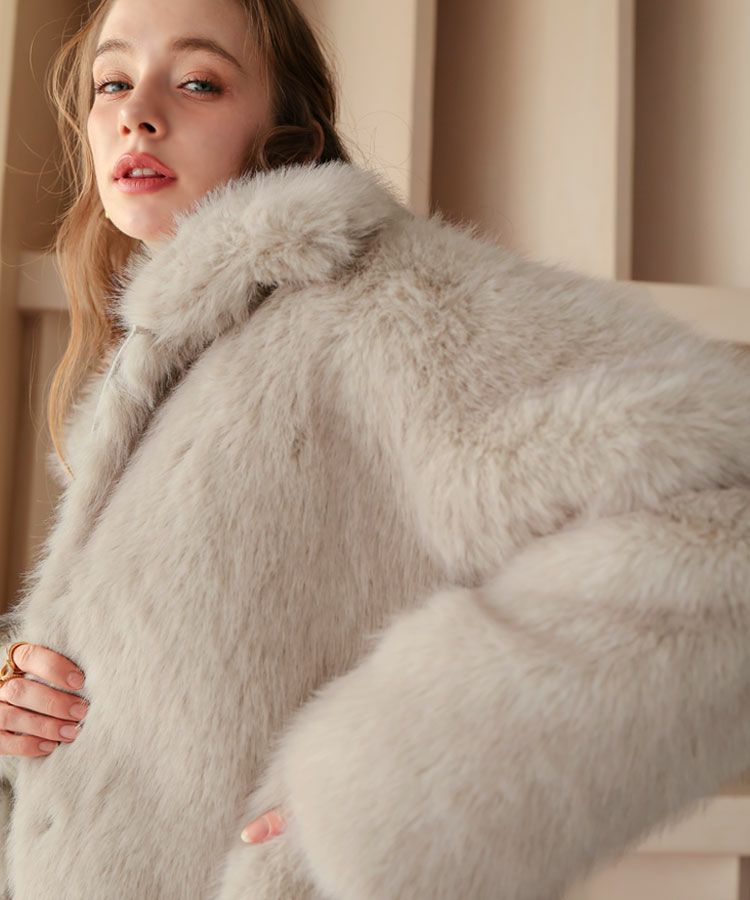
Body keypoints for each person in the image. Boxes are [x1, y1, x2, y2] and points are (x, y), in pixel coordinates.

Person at [1, 0, 749, 896]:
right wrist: (24, 699)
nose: (137, 113)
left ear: (291, 136)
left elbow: (727, 522)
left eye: (198, 82)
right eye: (112, 82)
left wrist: (389, 799)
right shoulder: (168, 364)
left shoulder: (384, 306)